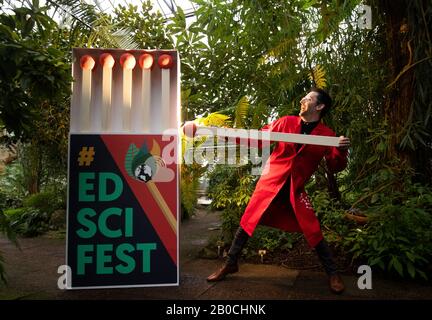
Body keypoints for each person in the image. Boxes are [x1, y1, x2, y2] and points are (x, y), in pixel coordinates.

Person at [206, 87, 350, 294]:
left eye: (308, 98)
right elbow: (256, 138)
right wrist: (225, 135)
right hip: (271, 182)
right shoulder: (286, 122)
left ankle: (333, 273)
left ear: (319, 106)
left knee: (312, 227)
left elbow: (335, 166)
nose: (303, 99)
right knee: (248, 220)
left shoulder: (327, 135)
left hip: (295, 188)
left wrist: (341, 150)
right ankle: (230, 263)